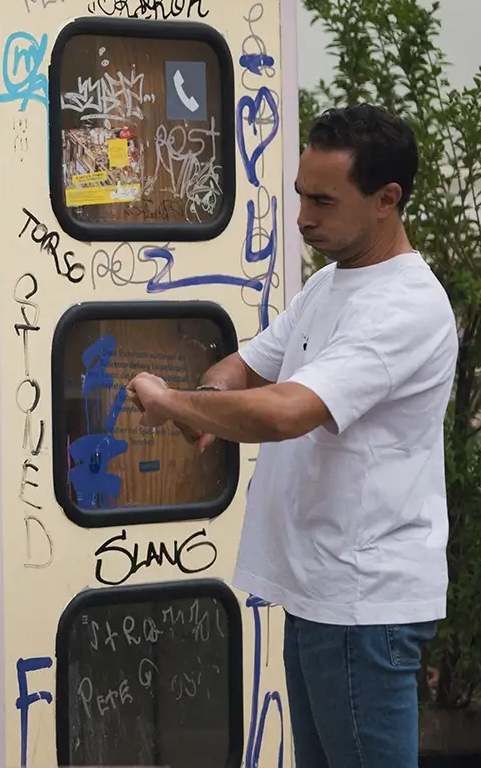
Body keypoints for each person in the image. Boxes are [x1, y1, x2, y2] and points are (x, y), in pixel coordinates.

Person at [128, 104, 457, 768]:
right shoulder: (331, 283)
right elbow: (248, 364)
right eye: (302, 194)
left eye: (323, 201)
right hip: (318, 590)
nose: (304, 216)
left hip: (363, 603)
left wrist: (177, 404)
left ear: (387, 200)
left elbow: (287, 410)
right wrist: (214, 400)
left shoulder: (405, 305)